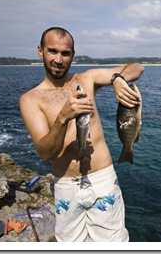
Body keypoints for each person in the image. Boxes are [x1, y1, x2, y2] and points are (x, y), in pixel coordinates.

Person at [19, 27, 144, 242]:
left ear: (73, 55)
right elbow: (46, 153)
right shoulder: (30, 99)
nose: (58, 59)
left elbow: (137, 68)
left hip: (102, 179)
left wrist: (116, 78)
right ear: (40, 51)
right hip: (66, 186)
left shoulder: (87, 79)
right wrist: (63, 117)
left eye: (65, 53)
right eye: (52, 51)